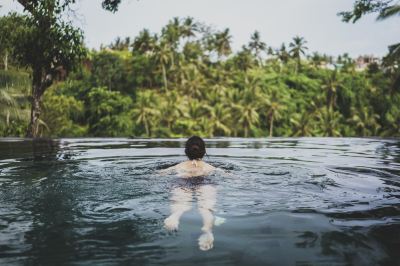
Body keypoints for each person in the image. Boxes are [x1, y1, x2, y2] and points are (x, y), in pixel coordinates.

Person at [162, 136, 219, 251]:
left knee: (180, 205)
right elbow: (231, 176)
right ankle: (207, 230)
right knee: (206, 208)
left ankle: (175, 216)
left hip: (182, 181)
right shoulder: (210, 167)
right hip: (205, 181)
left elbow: (158, 174)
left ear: (186, 151)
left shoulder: (178, 166)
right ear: (203, 152)